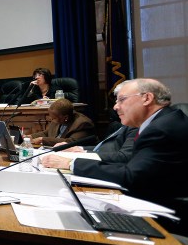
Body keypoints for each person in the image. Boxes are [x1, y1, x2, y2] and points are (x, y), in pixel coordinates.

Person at [41, 79, 188, 223]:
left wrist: (72, 164)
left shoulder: (160, 129)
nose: (116, 107)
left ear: (147, 98)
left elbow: (131, 176)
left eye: (121, 100)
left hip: (165, 213)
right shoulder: (165, 120)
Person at [28, 98, 95, 146]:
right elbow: (46, 133)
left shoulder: (83, 123)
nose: (51, 120)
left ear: (65, 117)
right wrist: (30, 137)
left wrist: (42, 140)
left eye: (54, 118)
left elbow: (70, 142)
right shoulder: (58, 116)